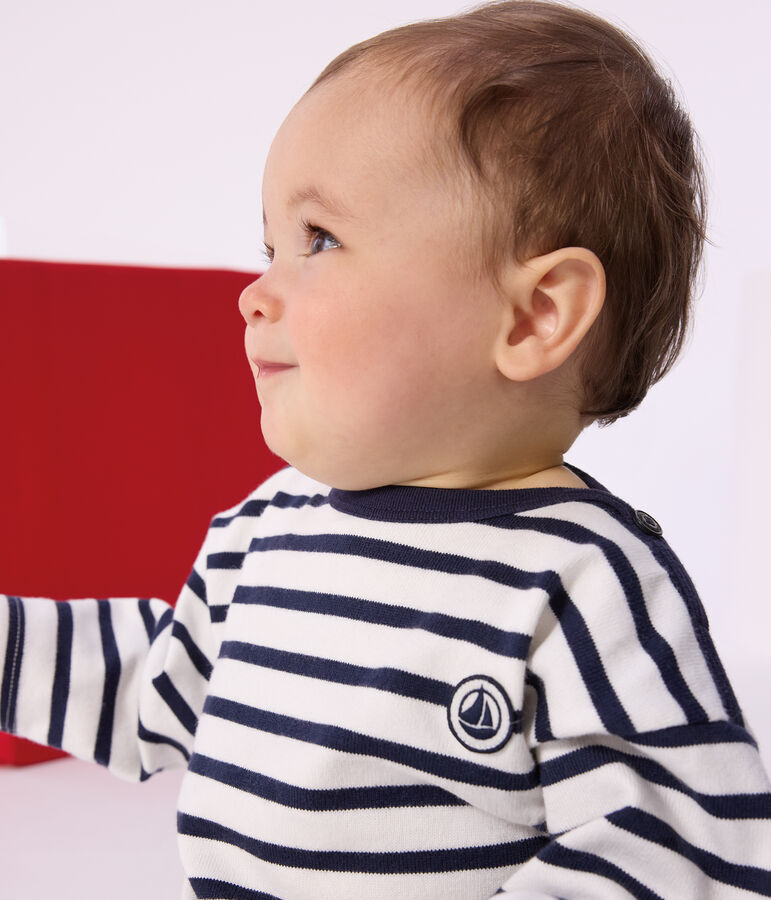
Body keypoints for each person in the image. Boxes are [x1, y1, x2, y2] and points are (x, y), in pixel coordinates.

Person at [2, 1, 770, 897]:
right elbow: (161, 686)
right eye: (269, 246)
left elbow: (679, 843)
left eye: (319, 239)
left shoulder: (579, 582)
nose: (255, 292)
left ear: (533, 315)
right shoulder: (264, 530)